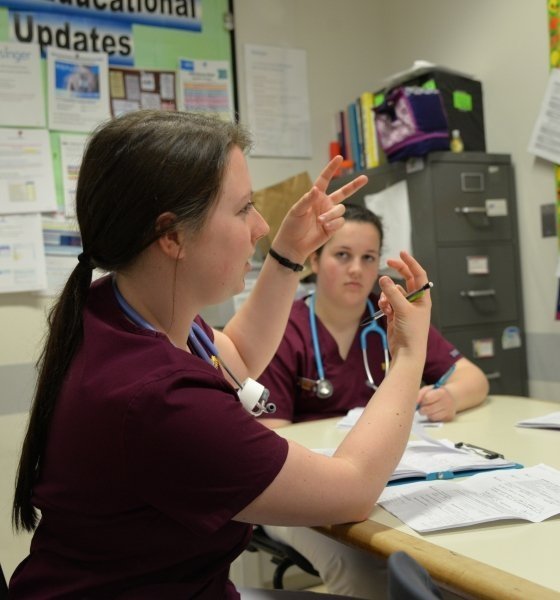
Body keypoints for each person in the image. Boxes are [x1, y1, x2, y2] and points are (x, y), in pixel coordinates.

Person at [10, 109, 432, 600]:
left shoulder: (120, 308)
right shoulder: (159, 398)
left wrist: (289, 251)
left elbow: (238, 354)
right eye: (243, 208)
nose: (260, 226)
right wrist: (407, 353)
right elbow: (354, 489)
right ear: (172, 236)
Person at [257, 203, 490, 598]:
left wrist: (449, 396)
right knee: (361, 568)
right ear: (315, 258)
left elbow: (475, 379)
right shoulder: (283, 327)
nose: (356, 270)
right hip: (299, 491)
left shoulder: (391, 317)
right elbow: (271, 436)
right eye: (342, 255)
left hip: (387, 483)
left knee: (450, 566)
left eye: (368, 258)